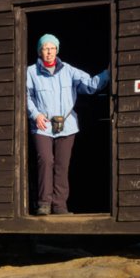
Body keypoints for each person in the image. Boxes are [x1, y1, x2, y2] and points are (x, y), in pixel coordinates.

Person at [26, 34, 109, 216]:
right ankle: (44, 203)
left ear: (57, 50)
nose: (48, 52)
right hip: (42, 125)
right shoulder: (31, 72)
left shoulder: (69, 70)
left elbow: (90, 85)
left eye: (52, 48)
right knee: (46, 160)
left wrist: (108, 73)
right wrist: (35, 114)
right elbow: (26, 96)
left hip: (67, 124)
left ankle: (59, 206)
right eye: (45, 48)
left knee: (62, 165)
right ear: (40, 51)